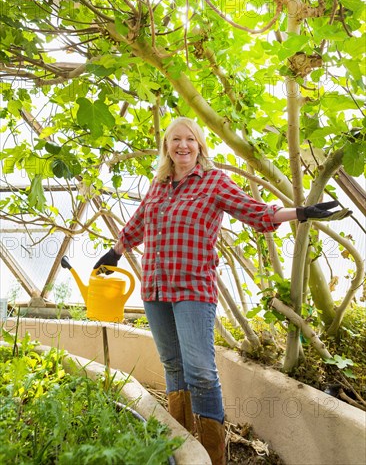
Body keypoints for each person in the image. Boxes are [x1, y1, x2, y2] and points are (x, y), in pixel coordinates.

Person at [94, 117, 351, 465]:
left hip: (193, 290)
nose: (182, 145)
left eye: (190, 139)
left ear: (199, 145)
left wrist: (301, 212)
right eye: (175, 140)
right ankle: (182, 450)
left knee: (199, 370)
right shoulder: (160, 184)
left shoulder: (214, 181)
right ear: (166, 147)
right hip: (155, 288)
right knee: (173, 366)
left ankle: (214, 456)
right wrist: (116, 252)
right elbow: (138, 221)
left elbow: (257, 212)